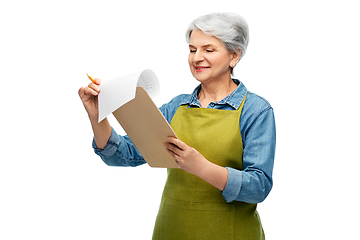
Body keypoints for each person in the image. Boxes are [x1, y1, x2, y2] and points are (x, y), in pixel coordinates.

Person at [79, 12, 276, 240]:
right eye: (192, 50)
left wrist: (200, 166)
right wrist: (97, 117)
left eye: (208, 50)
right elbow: (124, 156)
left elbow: (259, 187)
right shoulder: (176, 107)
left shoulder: (256, 110)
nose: (196, 58)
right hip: (172, 230)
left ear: (234, 56)